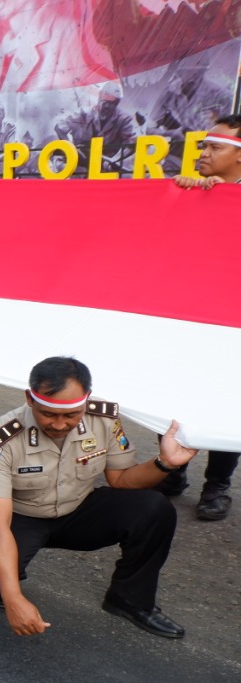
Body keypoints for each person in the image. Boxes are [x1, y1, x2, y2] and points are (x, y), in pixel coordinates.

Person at [0, 356, 197, 639]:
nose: (60, 425)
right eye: (49, 414)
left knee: (154, 507)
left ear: (85, 402)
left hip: (77, 509)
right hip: (21, 517)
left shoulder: (104, 420)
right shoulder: (1, 437)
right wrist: (14, 597)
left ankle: (129, 599)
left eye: (71, 414)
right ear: (29, 398)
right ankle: (4, 582)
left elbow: (121, 480)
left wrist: (165, 463)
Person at [163, 114, 241, 521]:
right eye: (204, 146)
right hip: (187, 316)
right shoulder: (192, 192)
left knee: (227, 402)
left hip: (232, 326)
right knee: (173, 392)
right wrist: (193, 201)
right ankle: (172, 471)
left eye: (215, 147)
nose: (204, 153)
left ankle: (218, 486)